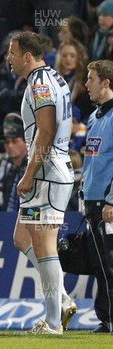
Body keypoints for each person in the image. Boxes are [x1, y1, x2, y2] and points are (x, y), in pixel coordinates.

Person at [7, 31, 76, 335]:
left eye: (12, 53)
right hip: (52, 169)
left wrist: (29, 172)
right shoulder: (56, 79)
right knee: (22, 238)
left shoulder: (39, 84)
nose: (8, 58)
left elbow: (45, 131)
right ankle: (61, 298)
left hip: (46, 174)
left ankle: (52, 323)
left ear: (26, 56)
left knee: (45, 246)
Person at [82, 59, 113, 333]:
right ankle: (106, 318)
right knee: (99, 264)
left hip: (108, 204)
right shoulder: (94, 116)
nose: (86, 84)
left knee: (111, 262)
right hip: (92, 202)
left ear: (106, 82)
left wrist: (112, 199)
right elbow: (92, 160)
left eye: (90, 79)